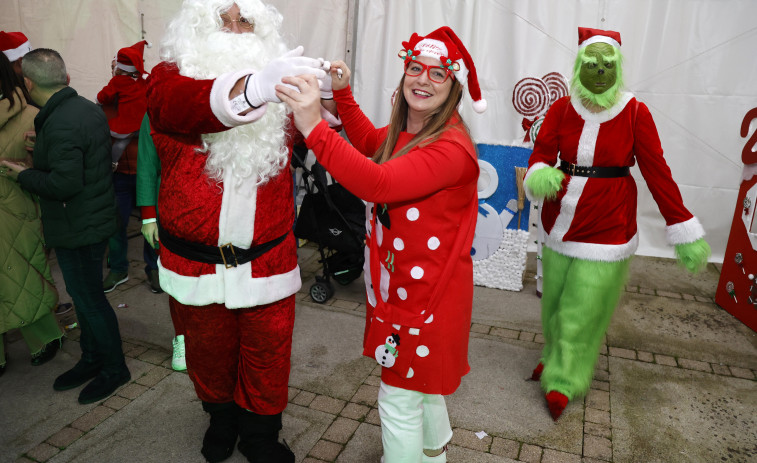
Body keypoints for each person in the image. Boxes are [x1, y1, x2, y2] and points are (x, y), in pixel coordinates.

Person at [278, 26, 487, 463]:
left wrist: (315, 125)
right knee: (420, 386)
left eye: (438, 74)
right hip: (405, 288)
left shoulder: (451, 148)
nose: (423, 80)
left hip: (429, 297)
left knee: (398, 398)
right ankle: (433, 454)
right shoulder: (409, 133)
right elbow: (372, 144)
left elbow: (377, 181)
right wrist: (343, 95)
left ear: (453, 87)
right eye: (416, 68)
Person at [146, 1, 333, 461]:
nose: (234, 30)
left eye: (245, 20)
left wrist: (334, 93)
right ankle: (221, 421)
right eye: (222, 19)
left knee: (269, 359)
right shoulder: (169, 77)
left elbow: (329, 137)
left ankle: (260, 436)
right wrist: (252, 89)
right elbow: (182, 107)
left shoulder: (280, 89)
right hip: (196, 264)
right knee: (208, 356)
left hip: (267, 260)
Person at [523, 28, 711, 421]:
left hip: (609, 227)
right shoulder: (561, 108)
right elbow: (542, 151)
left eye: (608, 64)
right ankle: (552, 354)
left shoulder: (635, 112)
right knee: (555, 303)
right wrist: (541, 171)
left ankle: (564, 379)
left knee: (581, 309)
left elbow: (657, 171)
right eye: (591, 63)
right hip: (559, 222)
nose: (599, 71)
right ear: (579, 66)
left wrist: (681, 225)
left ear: (618, 67)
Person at [1, 49, 130, 404]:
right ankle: (91, 359)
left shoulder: (59, 121)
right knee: (85, 297)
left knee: (89, 301)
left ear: (27, 83)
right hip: (91, 218)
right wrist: (41, 148)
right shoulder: (84, 107)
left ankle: (115, 368)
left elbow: (64, 184)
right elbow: (82, 158)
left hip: (79, 226)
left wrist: (24, 172)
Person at [0, 49, 63, 376]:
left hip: (18, 210)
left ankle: (46, 337)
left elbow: (48, 170)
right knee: (17, 278)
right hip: (18, 209)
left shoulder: (31, 116)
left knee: (21, 277)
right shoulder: (29, 114)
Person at [96, 41, 160, 293]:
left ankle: (154, 268)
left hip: (149, 173)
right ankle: (119, 269)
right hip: (119, 173)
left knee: (153, 223)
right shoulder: (108, 99)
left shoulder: (148, 93)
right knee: (115, 224)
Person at [135, 113, 186, 371]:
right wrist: (147, 216)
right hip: (169, 209)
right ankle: (182, 338)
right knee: (175, 280)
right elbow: (146, 162)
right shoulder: (157, 110)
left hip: (214, 210)